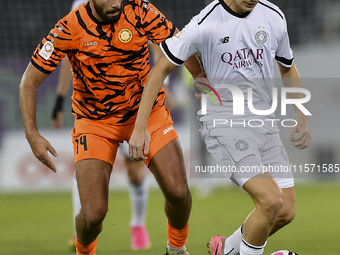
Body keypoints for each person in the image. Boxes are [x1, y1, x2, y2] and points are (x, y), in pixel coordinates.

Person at [19, 0, 203, 254]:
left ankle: (176, 248)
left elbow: (180, 44)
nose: (117, 2)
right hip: (94, 122)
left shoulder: (140, 10)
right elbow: (28, 81)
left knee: (179, 192)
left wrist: (201, 79)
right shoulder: (70, 27)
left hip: (146, 113)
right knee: (94, 214)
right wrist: (32, 133)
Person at [129, 0, 311, 255]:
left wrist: (301, 115)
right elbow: (159, 70)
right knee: (270, 200)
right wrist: (140, 128)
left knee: (285, 210)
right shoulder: (205, 24)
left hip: (263, 121)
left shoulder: (273, 16)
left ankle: (226, 249)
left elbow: (288, 67)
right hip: (225, 121)